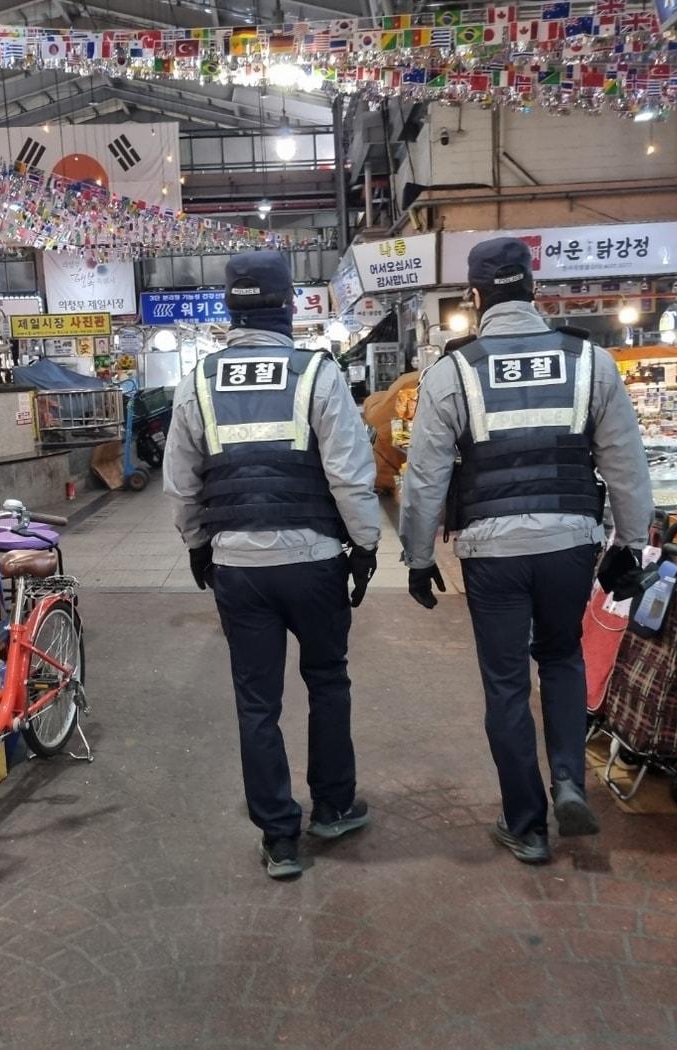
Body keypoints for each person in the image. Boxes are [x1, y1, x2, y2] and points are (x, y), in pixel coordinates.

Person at [398, 237, 654, 865]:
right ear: (533, 291)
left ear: (476, 298)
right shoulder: (590, 362)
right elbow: (626, 463)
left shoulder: (452, 372)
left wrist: (417, 555)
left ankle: (527, 824)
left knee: (507, 684)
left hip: (492, 551)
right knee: (562, 658)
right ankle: (569, 778)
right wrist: (632, 542)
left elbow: (425, 475)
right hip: (571, 542)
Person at [163, 250, 383, 880]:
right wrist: (365, 545)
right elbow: (349, 473)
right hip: (313, 563)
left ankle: (280, 838)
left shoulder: (198, 381)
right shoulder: (317, 374)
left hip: (239, 567)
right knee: (327, 681)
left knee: (256, 702)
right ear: (289, 306)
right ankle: (334, 807)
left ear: (230, 307)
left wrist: (197, 543)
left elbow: (181, 485)